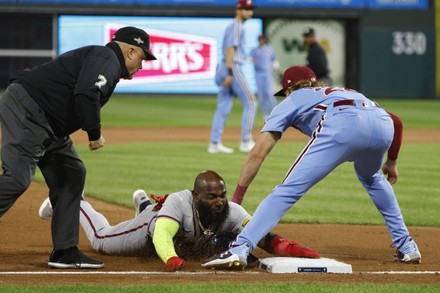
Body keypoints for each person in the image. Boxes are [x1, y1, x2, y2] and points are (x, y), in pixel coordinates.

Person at [202, 66, 421, 270]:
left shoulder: (292, 99)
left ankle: (239, 249)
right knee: (373, 178)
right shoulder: (341, 91)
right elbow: (397, 122)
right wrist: (391, 161)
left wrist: (237, 201)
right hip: (382, 126)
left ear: (289, 88)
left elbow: (258, 153)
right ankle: (408, 247)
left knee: (287, 192)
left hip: (343, 125)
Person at [0, 26, 157, 269]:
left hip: (49, 122)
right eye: (142, 57)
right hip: (30, 110)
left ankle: (64, 251)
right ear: (129, 51)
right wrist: (94, 133)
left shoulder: (106, 61)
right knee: (17, 179)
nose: (142, 64)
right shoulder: (107, 58)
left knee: (72, 174)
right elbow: (87, 92)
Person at [38, 170, 320, 271]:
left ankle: (142, 204)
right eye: (212, 197)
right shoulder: (179, 202)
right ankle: (74, 201)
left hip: (164, 227)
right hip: (150, 228)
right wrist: (172, 261)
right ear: (197, 195)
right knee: (100, 239)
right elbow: (161, 235)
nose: (219, 200)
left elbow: (262, 236)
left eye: (222, 195)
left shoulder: (231, 211)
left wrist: (295, 249)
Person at [208, 0, 258, 154]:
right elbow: (230, 49)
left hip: (225, 66)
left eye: (250, 9)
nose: (250, 12)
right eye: (246, 9)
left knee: (223, 106)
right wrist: (230, 73)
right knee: (251, 102)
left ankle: (214, 144)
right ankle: (246, 141)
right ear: (239, 10)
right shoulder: (237, 25)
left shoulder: (233, 26)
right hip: (232, 67)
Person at [249, 34, 281, 121]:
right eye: (260, 39)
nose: (261, 40)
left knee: (270, 93)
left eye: (262, 39)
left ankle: (275, 113)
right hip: (258, 74)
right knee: (261, 95)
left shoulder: (269, 49)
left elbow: (274, 60)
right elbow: (249, 58)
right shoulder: (255, 50)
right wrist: (252, 60)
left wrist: (278, 71)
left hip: (267, 73)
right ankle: (265, 115)